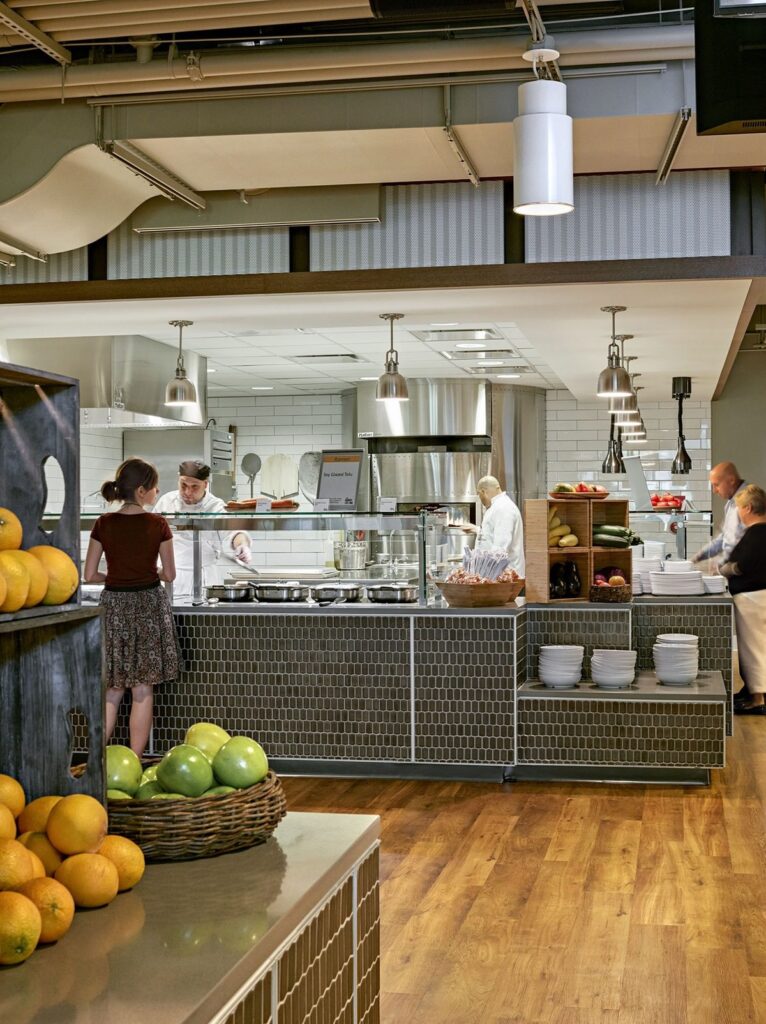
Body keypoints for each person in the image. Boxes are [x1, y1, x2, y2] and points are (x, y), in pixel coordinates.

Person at [84, 458, 179, 756]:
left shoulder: (103, 523)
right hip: (148, 603)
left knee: (112, 689)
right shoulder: (158, 523)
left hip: (113, 604)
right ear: (141, 491)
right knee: (142, 690)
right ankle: (134, 763)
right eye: (154, 487)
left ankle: (95, 763)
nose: (157, 491)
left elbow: (88, 575)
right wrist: (151, 573)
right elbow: (170, 574)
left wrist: (113, 576)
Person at [152, 460, 252, 599]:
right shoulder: (166, 501)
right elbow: (150, 536)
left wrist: (242, 545)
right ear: (178, 479)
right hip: (169, 577)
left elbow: (234, 532)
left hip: (204, 578)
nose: (188, 492)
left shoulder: (216, 506)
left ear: (205, 484)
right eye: (183, 485)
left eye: (195, 487)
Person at [719, 485, 766, 715]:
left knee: (752, 649)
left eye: (738, 508)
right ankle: (753, 692)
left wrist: (725, 569)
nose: (737, 513)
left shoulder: (756, 533)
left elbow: (742, 565)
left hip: (752, 598)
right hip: (758, 596)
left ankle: (757, 700)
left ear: (748, 508)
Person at [462, 475, 525, 576]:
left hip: (505, 578)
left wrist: (481, 574)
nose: (480, 498)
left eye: (479, 494)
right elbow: (495, 534)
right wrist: (477, 530)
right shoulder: (498, 506)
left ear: (483, 492)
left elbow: (500, 549)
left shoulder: (503, 508)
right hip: (498, 576)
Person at [692, 461, 747, 567]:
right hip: (732, 568)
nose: (714, 491)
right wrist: (699, 555)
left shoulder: (748, 500)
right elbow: (724, 538)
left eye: (716, 485)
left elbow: (747, 543)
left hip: (743, 571)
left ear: (731, 480)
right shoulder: (730, 503)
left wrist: (721, 563)